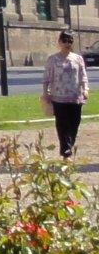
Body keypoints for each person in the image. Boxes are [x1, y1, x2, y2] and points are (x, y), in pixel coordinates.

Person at [44, 30, 90, 160]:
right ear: (59, 42)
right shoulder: (52, 59)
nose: (67, 43)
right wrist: (46, 92)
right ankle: (66, 152)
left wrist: (85, 89)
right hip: (58, 98)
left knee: (74, 124)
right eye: (64, 40)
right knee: (62, 125)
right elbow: (46, 78)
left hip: (76, 97)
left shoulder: (78, 58)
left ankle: (69, 145)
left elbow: (83, 76)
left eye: (70, 40)